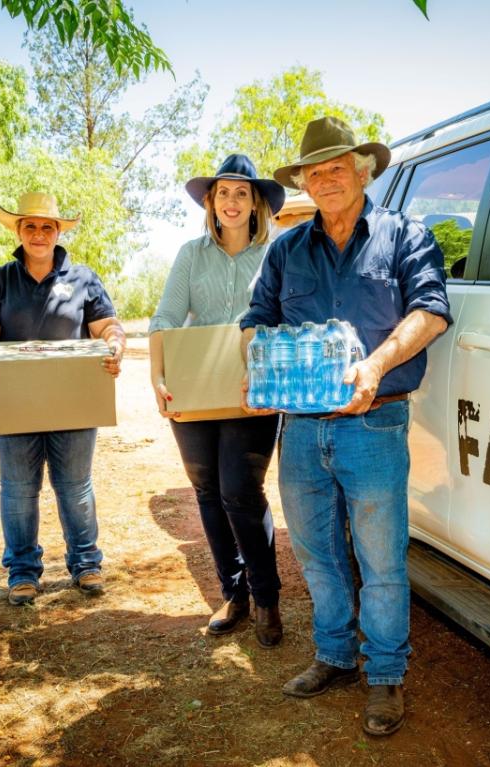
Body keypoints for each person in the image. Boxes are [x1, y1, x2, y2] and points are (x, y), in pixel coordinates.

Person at [240, 117, 452, 736]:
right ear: (303, 181)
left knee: (380, 559)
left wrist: (376, 365)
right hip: (301, 430)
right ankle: (334, 655)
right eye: (315, 171)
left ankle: (385, 674)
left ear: (363, 172)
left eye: (338, 168)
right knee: (317, 552)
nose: (326, 179)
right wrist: (259, 368)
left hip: (376, 423)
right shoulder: (285, 249)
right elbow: (257, 319)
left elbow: (432, 310)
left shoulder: (404, 235)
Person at [149, 155, 287, 647]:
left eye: (242, 194)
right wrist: (158, 378)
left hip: (254, 390)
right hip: (196, 387)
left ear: (256, 205)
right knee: (207, 491)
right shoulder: (191, 254)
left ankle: (267, 597)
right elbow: (165, 318)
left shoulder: (276, 253)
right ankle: (234, 593)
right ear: (211, 201)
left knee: (241, 493)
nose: (232, 201)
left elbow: (283, 318)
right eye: (223, 192)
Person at [0, 192, 125, 606]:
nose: (39, 234)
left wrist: (115, 345)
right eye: (30, 226)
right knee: (18, 489)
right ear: (19, 231)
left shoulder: (84, 278)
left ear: (58, 233)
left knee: (75, 487)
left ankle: (86, 564)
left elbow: (108, 327)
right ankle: (22, 572)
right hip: (14, 403)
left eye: (47, 227)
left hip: (72, 402)